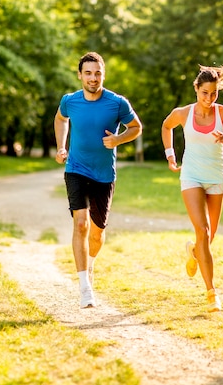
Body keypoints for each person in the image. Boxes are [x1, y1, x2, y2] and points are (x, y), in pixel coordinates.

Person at [54, 52, 142, 309]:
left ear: (103, 74)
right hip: (76, 169)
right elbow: (60, 119)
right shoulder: (70, 101)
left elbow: (136, 127)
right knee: (80, 224)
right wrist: (61, 146)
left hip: (104, 174)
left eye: (98, 73)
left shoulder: (117, 103)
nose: (93, 78)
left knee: (97, 232)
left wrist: (118, 140)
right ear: (80, 75)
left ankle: (90, 264)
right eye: (88, 73)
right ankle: (84, 287)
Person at [161, 65, 223, 312]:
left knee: (209, 236)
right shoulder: (183, 113)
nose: (208, 99)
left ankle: (194, 250)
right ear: (196, 88)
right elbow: (167, 127)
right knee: (203, 229)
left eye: (213, 94)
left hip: (216, 177)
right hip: (192, 176)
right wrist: (170, 154)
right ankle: (211, 293)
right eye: (204, 93)